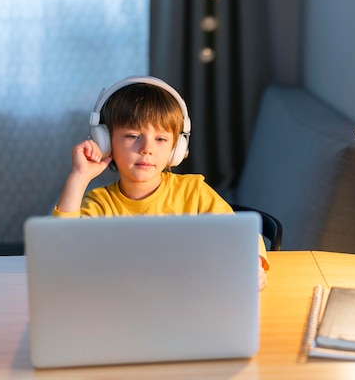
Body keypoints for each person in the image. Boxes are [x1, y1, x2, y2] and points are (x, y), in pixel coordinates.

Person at [53, 76, 269, 290]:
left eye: (161, 139)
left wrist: (253, 263)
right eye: (132, 135)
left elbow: (243, 236)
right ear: (106, 142)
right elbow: (60, 252)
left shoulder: (193, 192)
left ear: (176, 149)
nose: (147, 148)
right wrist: (79, 177)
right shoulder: (100, 204)